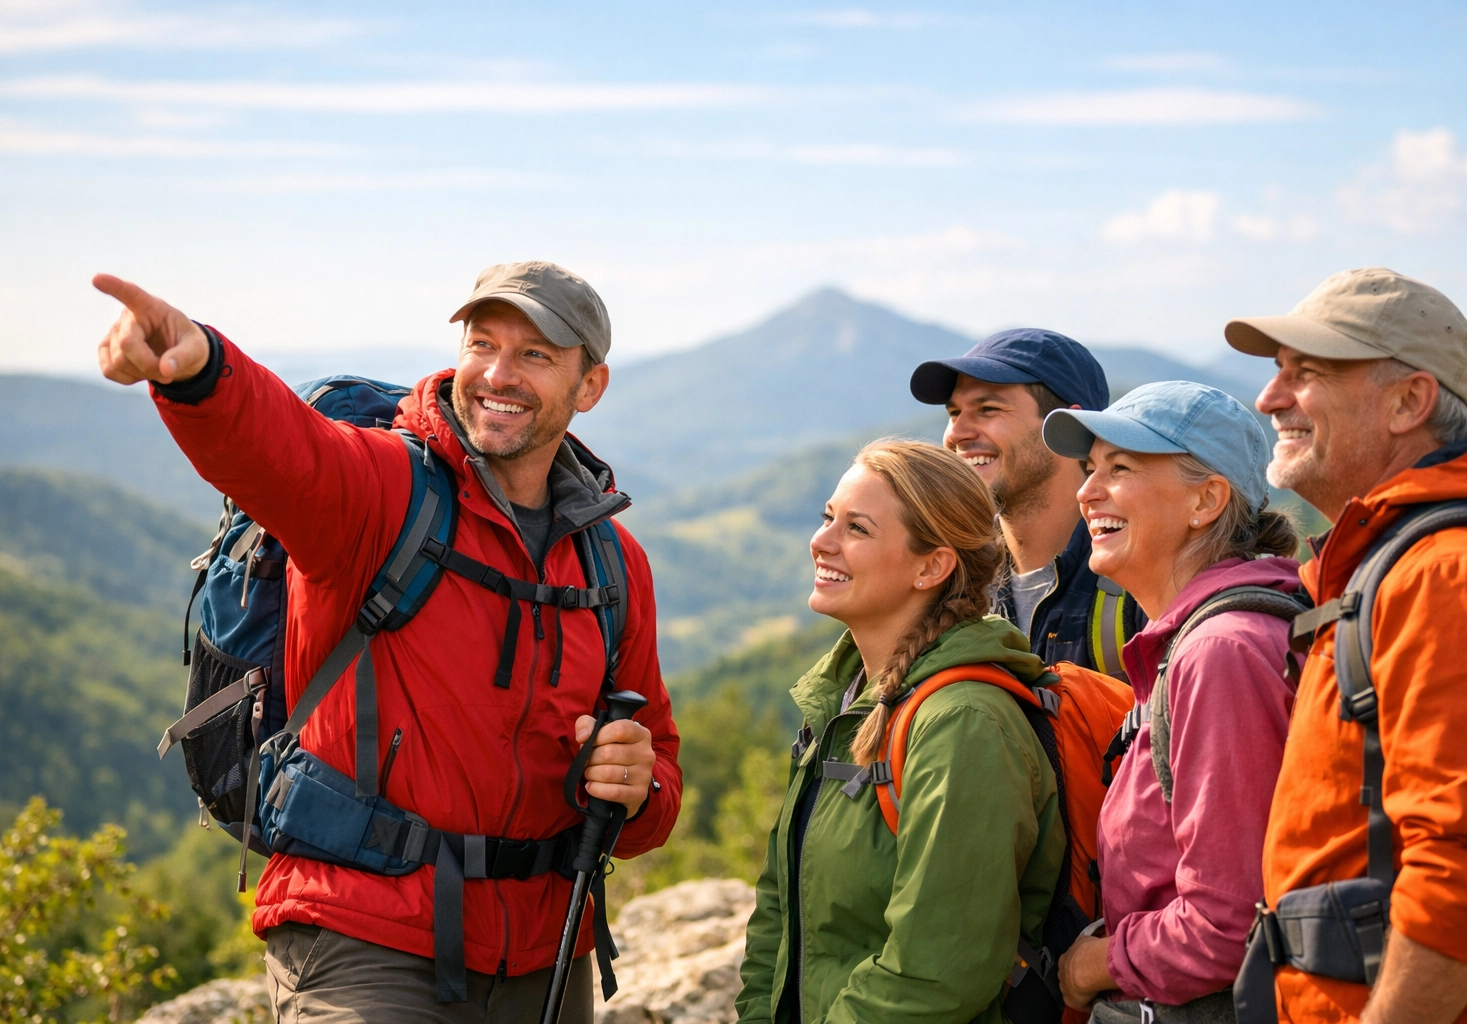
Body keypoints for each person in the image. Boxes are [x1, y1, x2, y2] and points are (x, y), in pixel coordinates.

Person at [93, 262, 681, 1024]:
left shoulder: (613, 563)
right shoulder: (383, 491)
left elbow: (658, 774)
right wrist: (201, 368)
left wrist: (641, 785)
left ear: (589, 386)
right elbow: (278, 447)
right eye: (482, 343)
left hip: (546, 954)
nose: (498, 373)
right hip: (362, 939)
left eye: (535, 355)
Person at [1224, 267, 1467, 1024]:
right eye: (1276, 373)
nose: (1269, 398)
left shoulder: (1456, 572)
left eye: (1308, 373)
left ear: (1409, 402)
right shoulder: (1395, 562)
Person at [737, 439, 1065, 1024]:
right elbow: (779, 914)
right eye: (828, 518)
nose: (822, 541)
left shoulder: (964, 724)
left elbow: (937, 973)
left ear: (931, 566)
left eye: (857, 528)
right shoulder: (843, 701)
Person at [1043, 382, 1304, 1022]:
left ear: (1206, 500)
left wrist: (1092, 967)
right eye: (1090, 468)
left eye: (1121, 468)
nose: (1087, 491)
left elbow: (1225, 924)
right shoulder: (1202, 642)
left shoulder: (1222, 653)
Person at [911, 329, 1147, 676]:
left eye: (987, 409)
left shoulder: (1142, 585)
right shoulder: (951, 582)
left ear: (1071, 428)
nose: (956, 433)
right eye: (954, 413)